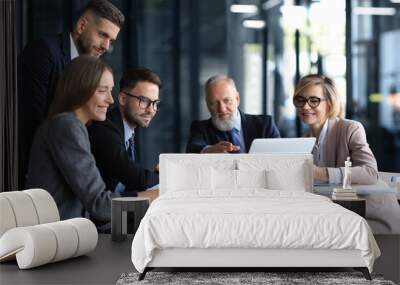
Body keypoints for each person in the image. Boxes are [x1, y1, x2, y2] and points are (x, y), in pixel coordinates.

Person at [18, 0, 124, 187]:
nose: (106, 46)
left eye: (111, 40)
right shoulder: (44, 52)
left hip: (78, 174)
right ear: (82, 25)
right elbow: (31, 122)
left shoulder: (93, 68)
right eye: (102, 35)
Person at [25, 56, 121, 225]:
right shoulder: (66, 126)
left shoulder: (67, 125)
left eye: (111, 90)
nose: (110, 100)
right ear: (80, 89)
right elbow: (100, 205)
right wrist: (149, 199)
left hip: (65, 236)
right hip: (60, 241)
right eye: (102, 91)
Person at [293, 74, 378, 185]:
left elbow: (370, 174)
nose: (305, 107)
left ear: (329, 103)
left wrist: (320, 173)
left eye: (314, 100)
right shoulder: (303, 143)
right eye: (300, 100)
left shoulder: (351, 129)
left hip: (366, 202)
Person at [88, 68, 160, 195]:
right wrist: (168, 176)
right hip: (99, 212)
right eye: (144, 101)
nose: (151, 110)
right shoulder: (105, 130)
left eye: (155, 103)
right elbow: (137, 180)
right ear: (122, 99)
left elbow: (133, 180)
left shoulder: (128, 130)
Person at [186, 75, 280, 153]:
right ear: (207, 105)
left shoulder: (264, 125)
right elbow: (192, 148)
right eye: (214, 103)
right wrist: (210, 150)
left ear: (237, 99)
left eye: (227, 101)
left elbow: (281, 156)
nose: (222, 109)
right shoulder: (200, 129)